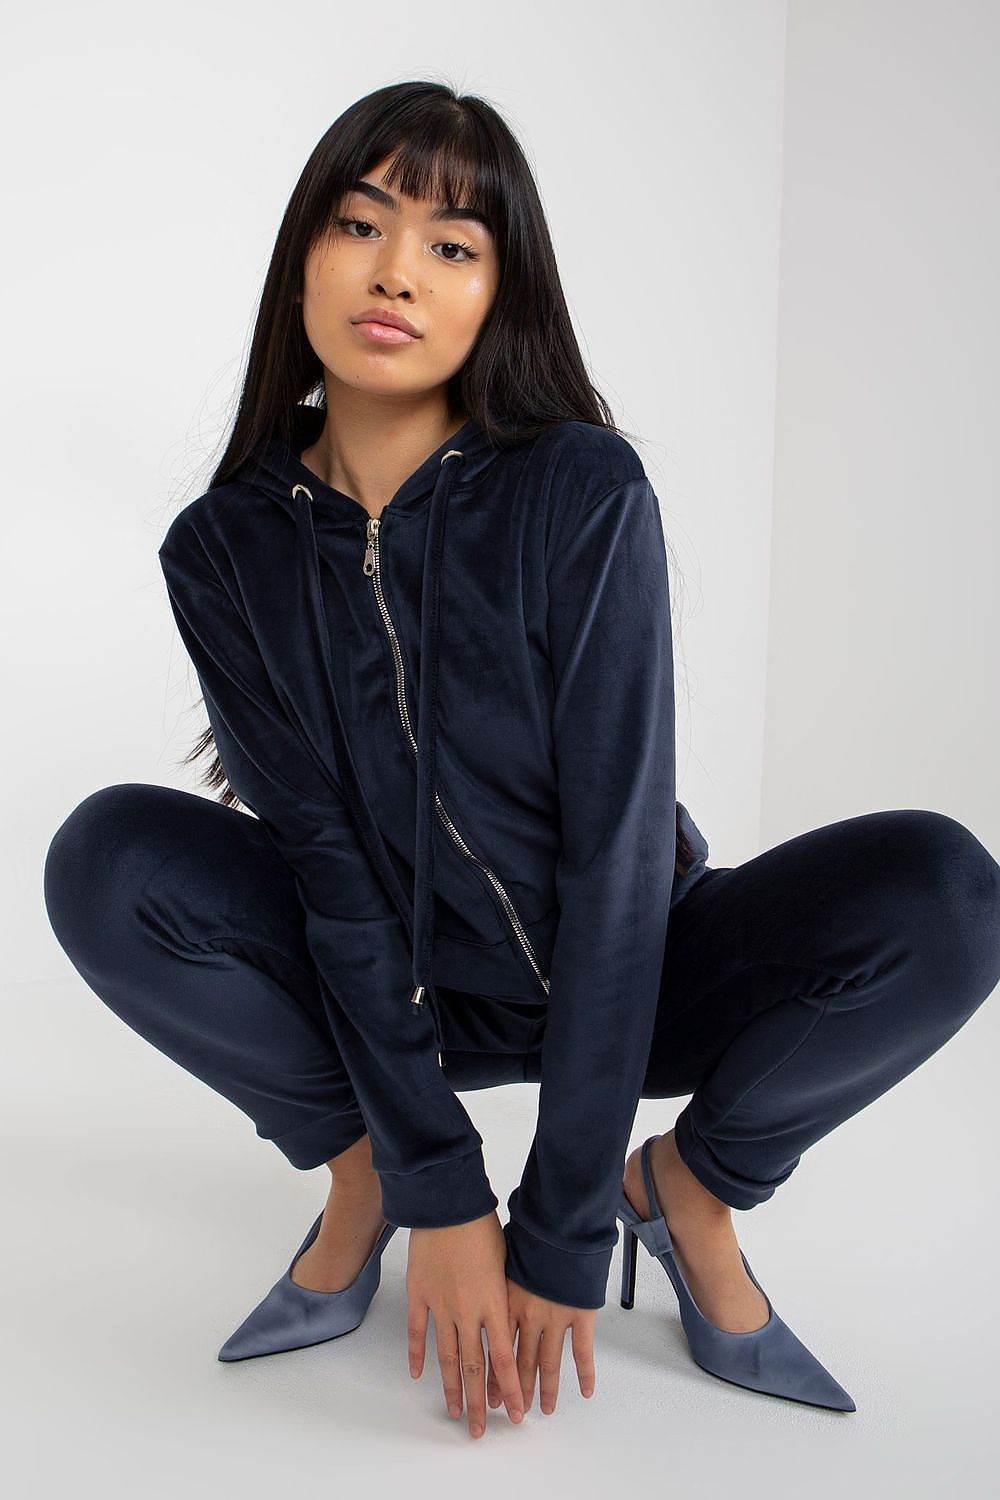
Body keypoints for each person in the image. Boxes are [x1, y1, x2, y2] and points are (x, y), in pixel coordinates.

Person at [43, 80, 1000, 1434]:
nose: (396, 271)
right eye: (360, 224)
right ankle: (364, 1176)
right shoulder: (223, 547)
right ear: (302, 258)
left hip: (633, 969)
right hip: (395, 986)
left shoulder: (578, 489)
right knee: (108, 860)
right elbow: (328, 869)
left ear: (501, 293)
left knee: (946, 894)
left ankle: (689, 1194)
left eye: (452, 244)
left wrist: (560, 1223)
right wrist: (438, 1188)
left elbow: (619, 858)